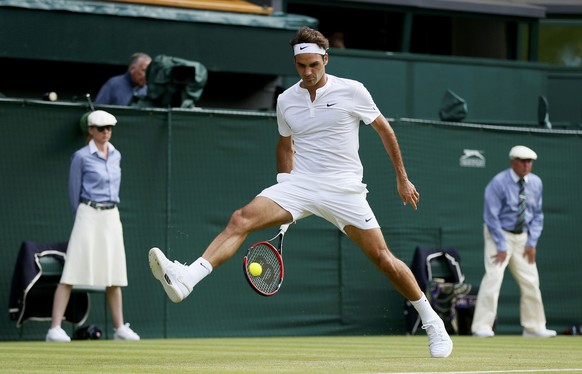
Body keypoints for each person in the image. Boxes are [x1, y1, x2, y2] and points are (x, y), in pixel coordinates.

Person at [148, 26, 453, 358]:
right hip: (300, 184)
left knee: (383, 259)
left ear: (325, 59)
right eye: (301, 66)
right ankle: (187, 278)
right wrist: (284, 187)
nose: (307, 73)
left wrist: (401, 179)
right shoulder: (286, 100)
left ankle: (431, 320)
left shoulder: (352, 91)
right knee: (241, 218)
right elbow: (285, 145)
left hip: (344, 189)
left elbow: (385, 130)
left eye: (313, 65)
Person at [46, 110, 140, 342]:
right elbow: (73, 191)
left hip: (111, 215)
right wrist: (83, 215)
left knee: (115, 274)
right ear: (90, 130)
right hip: (87, 213)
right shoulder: (80, 157)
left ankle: (119, 328)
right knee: (72, 271)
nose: (106, 132)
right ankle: (54, 329)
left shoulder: (117, 155)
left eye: (109, 128)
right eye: (101, 128)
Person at [471, 145, 556, 338]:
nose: (526, 165)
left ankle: (534, 327)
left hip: (523, 238)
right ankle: (481, 327)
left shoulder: (536, 183)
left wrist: (531, 242)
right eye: (522, 161)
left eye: (529, 162)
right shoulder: (498, 183)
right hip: (498, 234)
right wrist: (501, 246)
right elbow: (491, 217)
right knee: (494, 277)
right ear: (513, 162)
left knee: (531, 281)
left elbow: (537, 215)